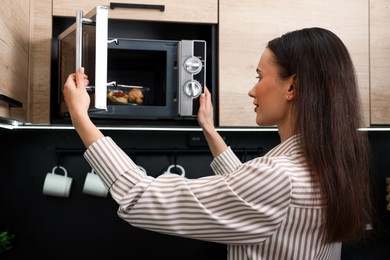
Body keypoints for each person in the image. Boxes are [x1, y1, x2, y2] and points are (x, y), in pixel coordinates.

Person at [63, 27, 372, 260]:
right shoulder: (328, 165)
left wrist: (81, 118)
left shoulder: (278, 177)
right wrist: (210, 131)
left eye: (259, 76)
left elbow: (141, 197)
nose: (252, 91)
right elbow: (252, 200)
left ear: (292, 86)